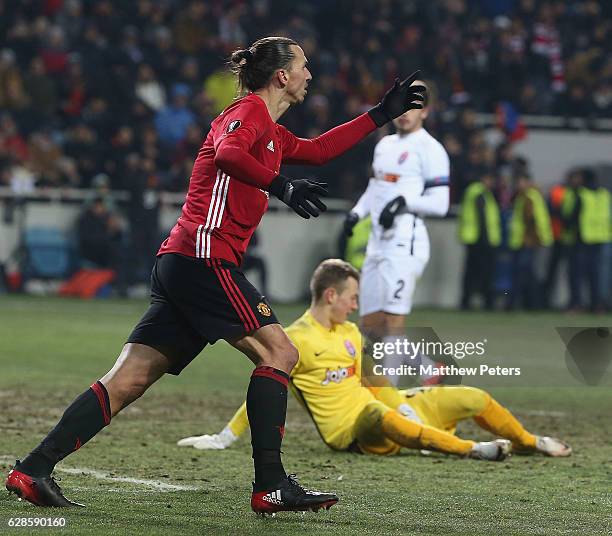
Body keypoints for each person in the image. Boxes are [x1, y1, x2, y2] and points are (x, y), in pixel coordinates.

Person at [5, 36, 426, 515]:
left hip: (183, 261)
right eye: (305, 66)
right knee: (280, 351)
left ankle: (33, 468)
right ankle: (271, 486)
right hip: (205, 259)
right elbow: (227, 155)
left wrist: (379, 114)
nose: (311, 75)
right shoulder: (247, 114)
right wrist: (282, 185)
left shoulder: (268, 128)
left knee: (129, 379)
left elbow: (319, 149)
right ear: (282, 76)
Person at [178, 259, 571, 459]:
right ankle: (470, 449)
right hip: (353, 432)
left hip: (387, 411)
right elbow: (262, 392)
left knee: (472, 397)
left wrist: (405, 407)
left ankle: (528, 442)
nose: (357, 304)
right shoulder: (293, 340)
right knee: (374, 415)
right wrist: (224, 437)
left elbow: (376, 381)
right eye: (351, 296)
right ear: (331, 296)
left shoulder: (349, 332)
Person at [342, 82, 450, 386]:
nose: (405, 113)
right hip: (377, 245)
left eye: (414, 106)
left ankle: (388, 399)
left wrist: (404, 203)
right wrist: (356, 213)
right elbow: (375, 188)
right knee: (370, 326)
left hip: (406, 245)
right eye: (402, 105)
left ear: (426, 111)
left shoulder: (431, 150)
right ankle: (428, 368)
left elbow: (440, 204)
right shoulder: (385, 145)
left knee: (392, 322)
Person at [507, 174, 553, 310]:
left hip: (527, 241)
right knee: (528, 272)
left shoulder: (528, 197)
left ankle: (525, 303)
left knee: (523, 273)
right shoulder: (530, 196)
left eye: (521, 182)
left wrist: (529, 238)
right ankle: (533, 303)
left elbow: (531, 220)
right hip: (529, 241)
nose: (519, 185)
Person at [458, 173, 502, 310]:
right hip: (480, 240)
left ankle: (467, 301)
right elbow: (482, 218)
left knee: (472, 272)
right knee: (482, 272)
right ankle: (485, 302)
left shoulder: (475, 191)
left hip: (474, 238)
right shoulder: (479, 192)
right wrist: (486, 239)